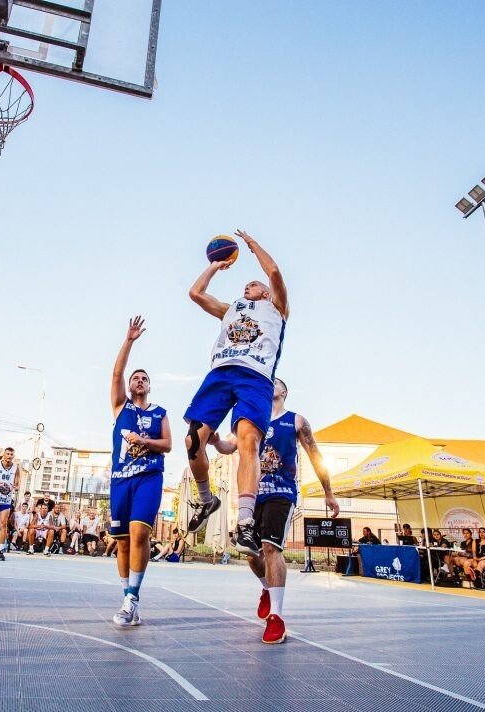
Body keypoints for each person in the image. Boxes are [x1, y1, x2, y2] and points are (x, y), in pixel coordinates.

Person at [181, 229, 288, 558]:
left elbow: (273, 271)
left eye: (253, 284)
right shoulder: (231, 308)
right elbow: (196, 293)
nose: (247, 286)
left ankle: (244, 522)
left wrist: (252, 244)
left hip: (256, 376)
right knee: (192, 442)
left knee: (248, 441)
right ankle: (206, 499)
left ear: (266, 292)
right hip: (221, 373)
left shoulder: (277, 309)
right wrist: (215, 265)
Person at [211, 376, 338, 644]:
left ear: (284, 392)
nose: (271, 385)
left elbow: (315, 456)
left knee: (271, 548)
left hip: (282, 492)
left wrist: (328, 492)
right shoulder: (251, 420)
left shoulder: (296, 421)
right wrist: (214, 440)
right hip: (253, 494)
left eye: (276, 382)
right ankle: (267, 589)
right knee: (250, 553)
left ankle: (276, 617)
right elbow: (228, 447)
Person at [104, 315, 172, 627]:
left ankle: (132, 598)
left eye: (144, 378)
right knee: (122, 541)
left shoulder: (160, 413)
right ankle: (126, 598)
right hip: (121, 479)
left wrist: (144, 441)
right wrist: (129, 340)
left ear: (149, 385)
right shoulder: (121, 407)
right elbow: (116, 372)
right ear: (130, 386)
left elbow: (168, 444)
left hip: (149, 477)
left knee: (140, 532)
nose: (139, 380)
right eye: (136, 378)